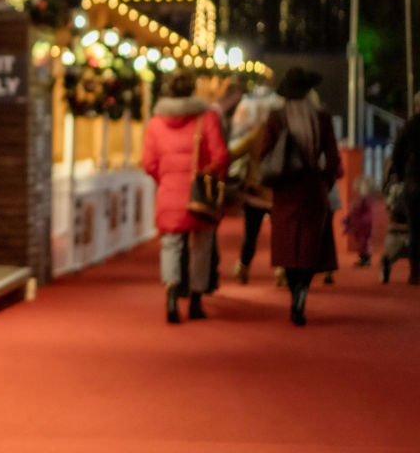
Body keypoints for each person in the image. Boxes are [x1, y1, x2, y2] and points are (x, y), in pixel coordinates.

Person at [142, 70, 228, 323]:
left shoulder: (156, 122)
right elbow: (220, 156)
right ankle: (196, 301)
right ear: (192, 90)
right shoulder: (206, 117)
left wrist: (165, 179)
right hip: (198, 193)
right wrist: (208, 174)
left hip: (169, 192)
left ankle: (171, 296)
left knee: (171, 245)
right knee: (202, 246)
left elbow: (148, 162)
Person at [258, 68, 341, 325]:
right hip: (313, 189)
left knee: (287, 247)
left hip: (285, 191)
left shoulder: (277, 117)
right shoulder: (321, 117)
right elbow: (333, 158)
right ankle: (303, 290)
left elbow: (264, 154)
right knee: (309, 246)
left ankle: (294, 292)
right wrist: (325, 182)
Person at [228, 85, 283, 283]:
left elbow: (235, 152)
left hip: (255, 191)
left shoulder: (257, 134)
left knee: (251, 234)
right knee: (280, 234)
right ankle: (282, 270)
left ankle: (243, 267)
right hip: (278, 192)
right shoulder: (284, 134)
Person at [386, 91, 420, 285]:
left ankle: (415, 271)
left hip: (413, 181)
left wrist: (400, 176)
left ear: (415, 106)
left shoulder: (408, 126)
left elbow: (397, 154)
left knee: (414, 228)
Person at [342, 176, 377, 268]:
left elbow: (368, 213)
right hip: (358, 226)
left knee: (364, 242)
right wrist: (348, 220)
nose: (356, 188)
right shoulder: (357, 199)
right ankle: (362, 258)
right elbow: (353, 212)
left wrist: (364, 221)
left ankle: (366, 259)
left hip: (364, 226)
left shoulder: (366, 200)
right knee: (360, 243)